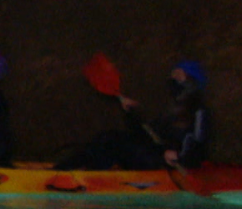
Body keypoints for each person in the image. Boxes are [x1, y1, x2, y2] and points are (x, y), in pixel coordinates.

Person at [54, 60, 210, 171]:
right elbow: (146, 135)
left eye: (179, 75)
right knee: (109, 137)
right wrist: (131, 113)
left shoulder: (199, 111)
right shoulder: (170, 110)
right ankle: (65, 170)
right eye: (173, 75)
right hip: (157, 157)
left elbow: (199, 143)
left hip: (174, 164)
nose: (173, 79)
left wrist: (180, 156)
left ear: (191, 81)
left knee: (115, 143)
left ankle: (75, 174)